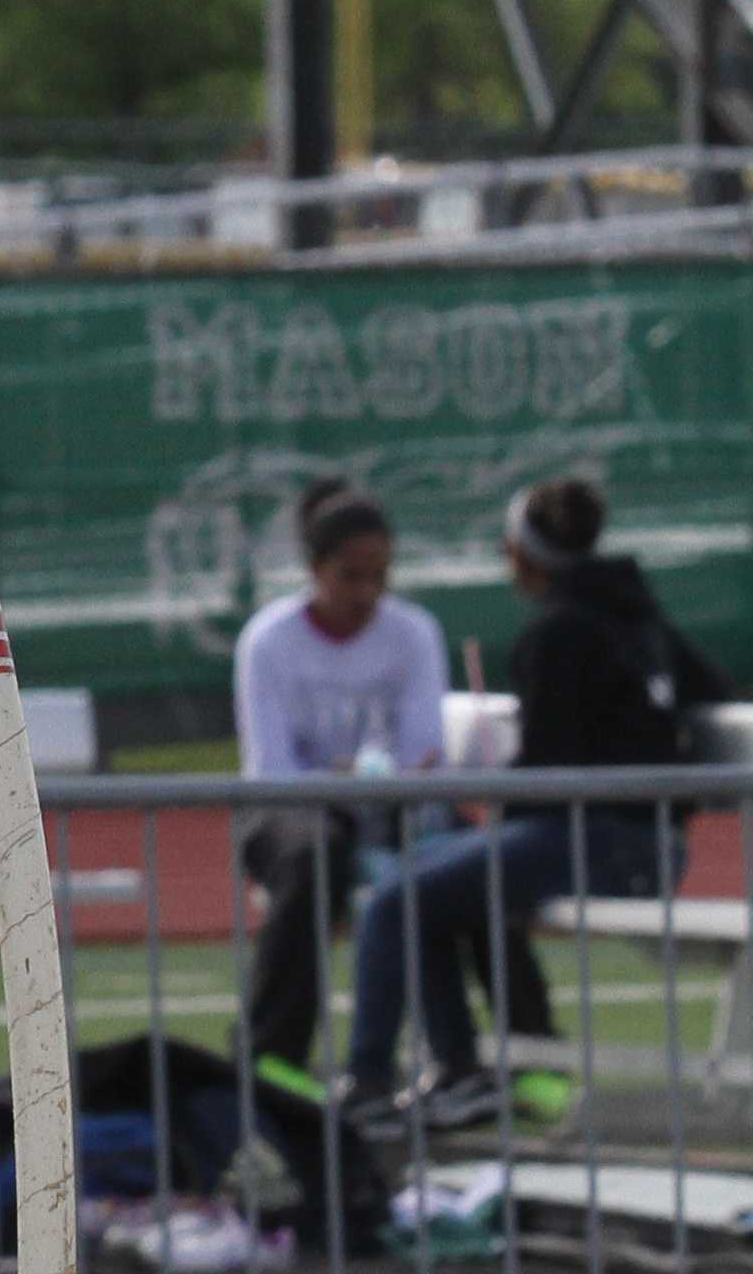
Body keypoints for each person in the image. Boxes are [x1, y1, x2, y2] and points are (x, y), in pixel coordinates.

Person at [344, 470, 731, 1121]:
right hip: (645, 841)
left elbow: (547, 776)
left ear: (527, 553)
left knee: (394, 899)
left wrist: (494, 790)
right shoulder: (640, 616)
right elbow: (706, 692)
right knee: (428, 890)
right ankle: (461, 1072)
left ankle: (367, 1083)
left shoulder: (559, 632)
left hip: (603, 842)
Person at [231, 476, 448, 1117]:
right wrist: (365, 776)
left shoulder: (412, 634)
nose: (367, 594)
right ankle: (270, 1059)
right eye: (351, 576)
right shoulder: (269, 640)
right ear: (314, 569)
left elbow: (423, 751)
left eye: (379, 575)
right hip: (291, 813)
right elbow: (273, 769)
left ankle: (494, 1060)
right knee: (311, 855)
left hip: (392, 808)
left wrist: (370, 777)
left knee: (469, 860)